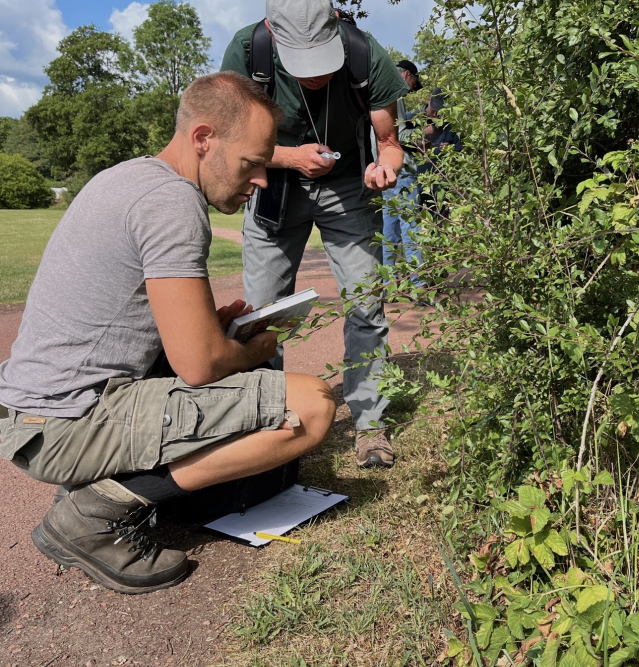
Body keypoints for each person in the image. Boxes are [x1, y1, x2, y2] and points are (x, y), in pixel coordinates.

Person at [0, 71, 337, 594]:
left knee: (265, 434)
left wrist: (217, 328)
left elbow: (152, 327)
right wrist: (255, 350)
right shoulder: (173, 204)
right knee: (313, 405)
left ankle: (106, 490)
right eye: (253, 163)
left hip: (37, 413)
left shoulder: (127, 177)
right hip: (66, 426)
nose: (263, 180)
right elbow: (199, 365)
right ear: (204, 139)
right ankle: (93, 513)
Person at [220, 0, 410, 469]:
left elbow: (389, 145)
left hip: (348, 186)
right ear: (272, 33)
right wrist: (289, 157)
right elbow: (232, 141)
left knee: (366, 302)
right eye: (302, 66)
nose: (315, 76)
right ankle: (264, 425)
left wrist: (382, 171)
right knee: (263, 312)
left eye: (322, 61)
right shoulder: (248, 52)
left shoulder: (366, 54)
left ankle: (370, 425)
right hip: (274, 185)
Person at [381, 60, 426, 290]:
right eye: (413, 85)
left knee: (390, 230)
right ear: (407, 75)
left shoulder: (379, 88)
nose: (410, 91)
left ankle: (388, 285)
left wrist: (418, 115)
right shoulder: (395, 92)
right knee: (411, 226)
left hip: (383, 171)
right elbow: (399, 135)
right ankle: (418, 284)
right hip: (402, 169)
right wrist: (425, 131)